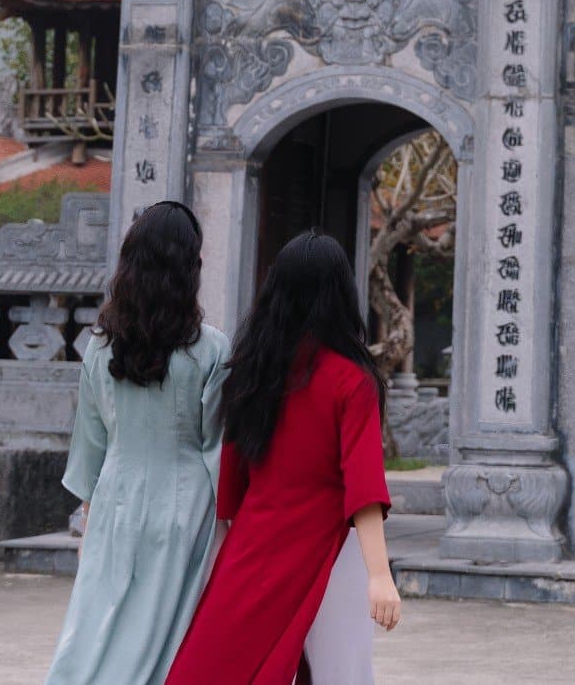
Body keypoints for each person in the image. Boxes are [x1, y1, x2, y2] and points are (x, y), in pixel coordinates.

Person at [166, 231, 400, 685]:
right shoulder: (352, 382)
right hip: (328, 550)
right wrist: (379, 575)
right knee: (340, 672)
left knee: (216, 666)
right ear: (341, 295)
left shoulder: (252, 373)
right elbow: (364, 487)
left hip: (252, 545)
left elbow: (231, 485)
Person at [43, 201, 230, 685]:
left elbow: (91, 440)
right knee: (163, 633)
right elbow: (218, 444)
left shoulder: (101, 346)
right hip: (187, 504)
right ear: (190, 267)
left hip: (115, 500)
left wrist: (88, 516)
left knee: (95, 626)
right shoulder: (211, 348)